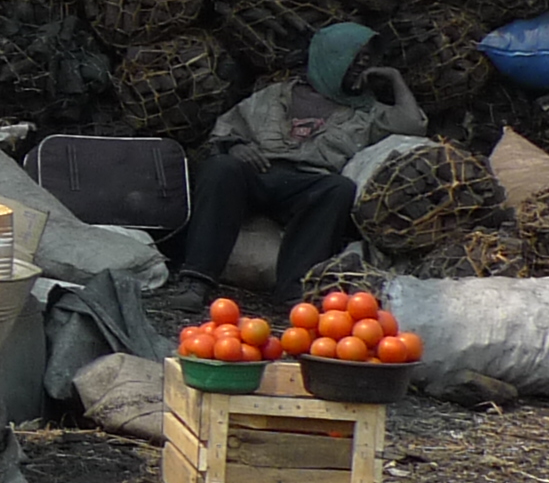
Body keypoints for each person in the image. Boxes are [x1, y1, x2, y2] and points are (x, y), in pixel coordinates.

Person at [168, 23, 425, 308]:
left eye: (368, 58)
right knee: (221, 168)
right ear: (330, 57)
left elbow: (413, 126)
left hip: (307, 185)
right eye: (355, 56)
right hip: (260, 172)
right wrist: (237, 147)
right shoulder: (277, 95)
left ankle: (295, 292)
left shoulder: (368, 111)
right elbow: (226, 131)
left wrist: (394, 78)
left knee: (338, 189)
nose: (362, 64)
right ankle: (196, 281)